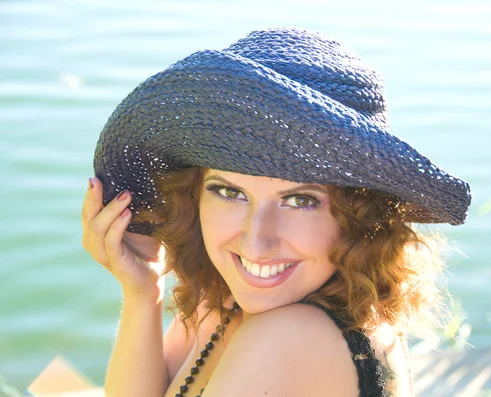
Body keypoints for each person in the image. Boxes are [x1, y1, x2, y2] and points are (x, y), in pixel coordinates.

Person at [82, 27, 471, 397]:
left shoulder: (289, 338)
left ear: (359, 213)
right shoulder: (230, 296)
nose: (256, 242)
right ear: (193, 195)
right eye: (229, 191)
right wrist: (142, 292)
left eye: (300, 200)